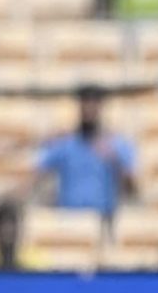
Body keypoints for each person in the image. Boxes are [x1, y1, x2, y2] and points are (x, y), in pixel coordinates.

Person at [30, 85, 138, 224]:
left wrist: (115, 160)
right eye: (85, 104)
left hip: (103, 220)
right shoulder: (66, 143)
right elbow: (36, 174)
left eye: (93, 104)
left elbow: (132, 189)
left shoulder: (117, 144)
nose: (89, 110)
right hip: (69, 220)